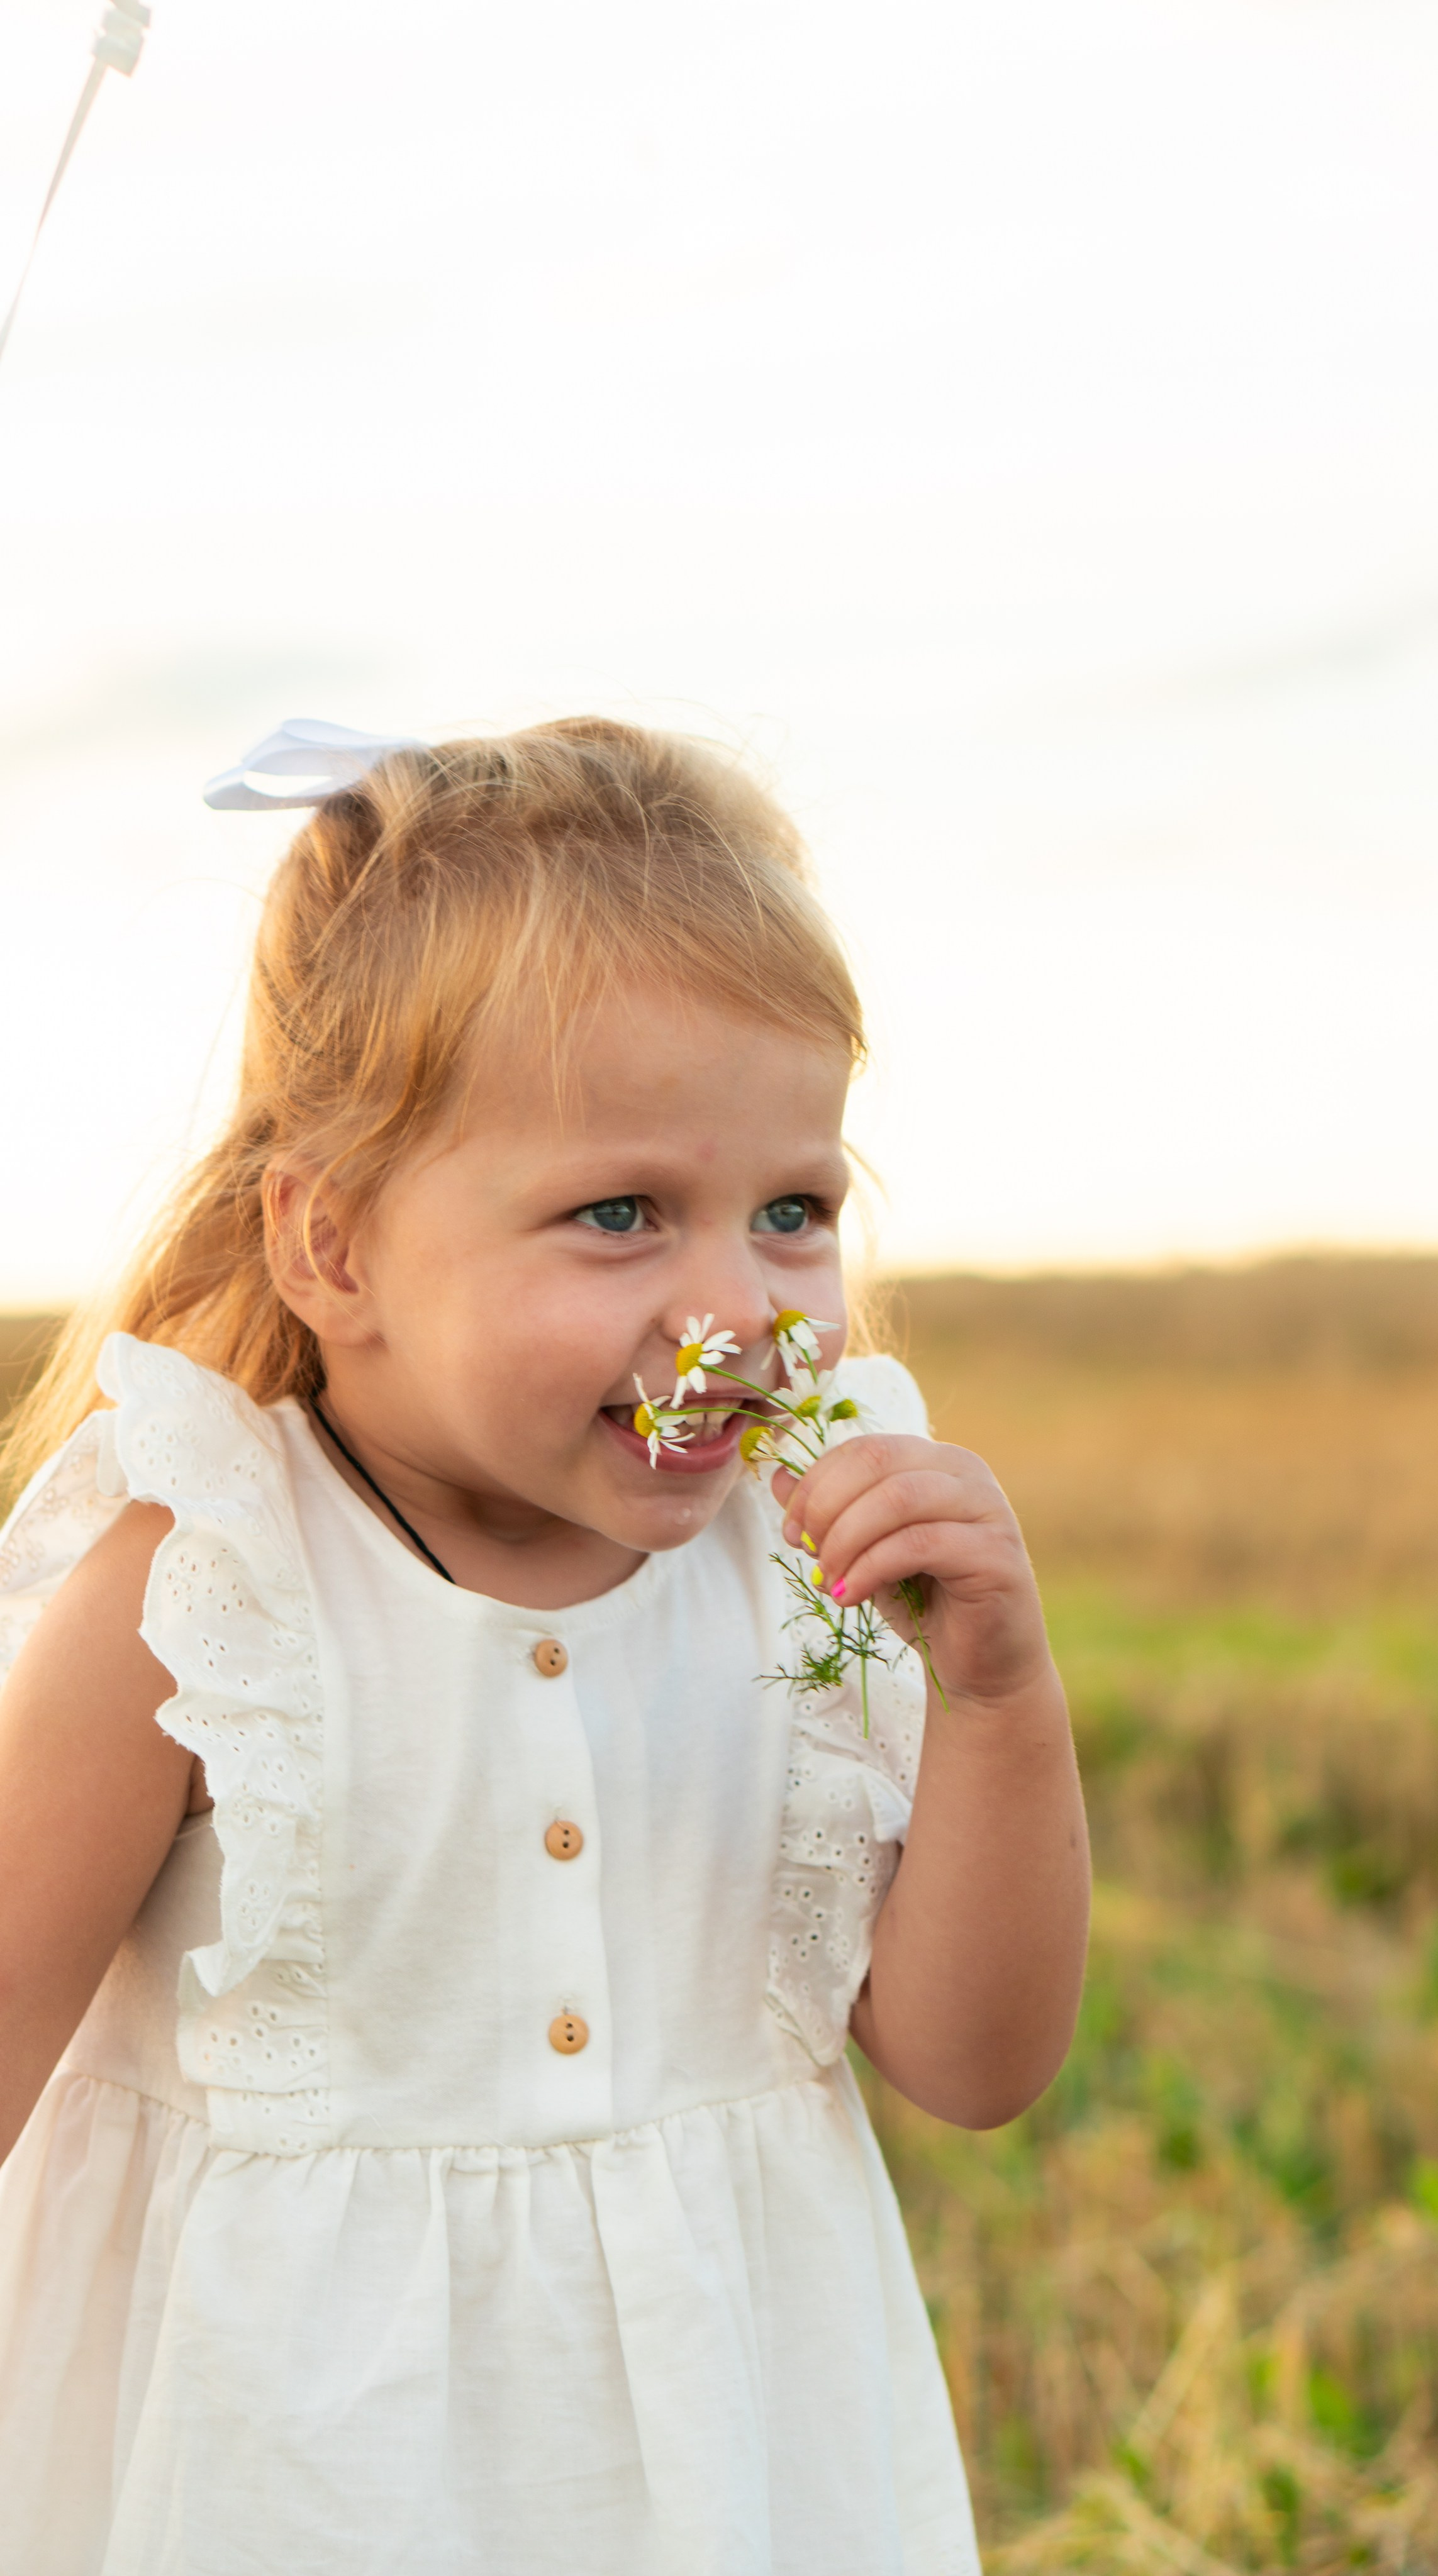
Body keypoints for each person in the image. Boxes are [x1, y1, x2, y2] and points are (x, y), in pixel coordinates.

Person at [0, 717, 1090, 2576]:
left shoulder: (806, 1571)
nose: (735, 1308)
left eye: (791, 1213)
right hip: (276, 2471)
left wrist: (994, 1699)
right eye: (616, 1215)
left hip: (724, 2449)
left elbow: (975, 2067)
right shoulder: (208, 1580)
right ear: (330, 1247)